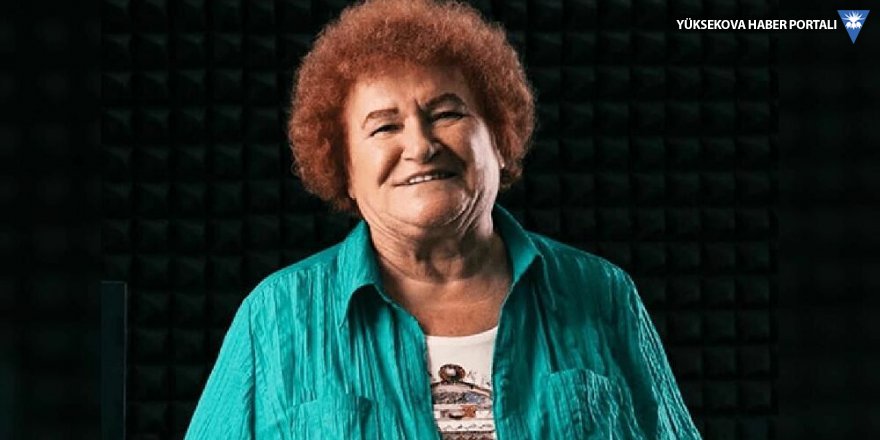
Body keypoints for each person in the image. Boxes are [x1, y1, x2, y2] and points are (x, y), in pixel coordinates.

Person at [185, 0, 700, 438]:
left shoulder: (602, 293)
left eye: (446, 114)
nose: (420, 146)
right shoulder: (274, 317)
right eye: (384, 127)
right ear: (344, 170)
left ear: (500, 139)